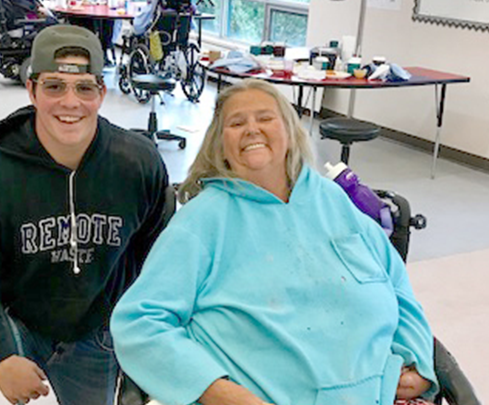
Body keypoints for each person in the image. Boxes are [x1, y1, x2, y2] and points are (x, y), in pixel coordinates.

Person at [110, 79, 439, 405]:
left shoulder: (331, 200)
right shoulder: (203, 221)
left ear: (291, 132)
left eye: (265, 118)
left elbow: (396, 283)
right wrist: (220, 393)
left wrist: (419, 360)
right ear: (219, 145)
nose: (252, 129)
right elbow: (139, 322)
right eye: (236, 123)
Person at [0, 24, 170, 405]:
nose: (70, 102)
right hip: (17, 322)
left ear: (101, 93)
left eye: (84, 88)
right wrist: (1, 357)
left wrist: (138, 342)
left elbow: (162, 260)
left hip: (96, 330)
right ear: (32, 90)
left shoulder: (137, 165)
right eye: (54, 86)